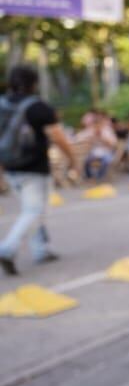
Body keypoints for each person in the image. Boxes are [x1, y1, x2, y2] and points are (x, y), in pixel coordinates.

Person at [0, 65, 76, 275]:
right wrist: (73, 160)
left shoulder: (3, 105)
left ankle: (40, 250)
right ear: (34, 83)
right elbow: (58, 137)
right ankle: (7, 248)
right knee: (34, 211)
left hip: (10, 167)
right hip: (34, 169)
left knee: (32, 210)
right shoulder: (38, 107)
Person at [78, 111, 117, 182]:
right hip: (94, 152)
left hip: (106, 152)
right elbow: (79, 137)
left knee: (105, 161)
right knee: (86, 161)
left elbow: (114, 144)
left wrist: (102, 139)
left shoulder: (107, 131)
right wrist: (89, 139)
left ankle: (99, 177)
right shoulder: (90, 131)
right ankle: (89, 177)